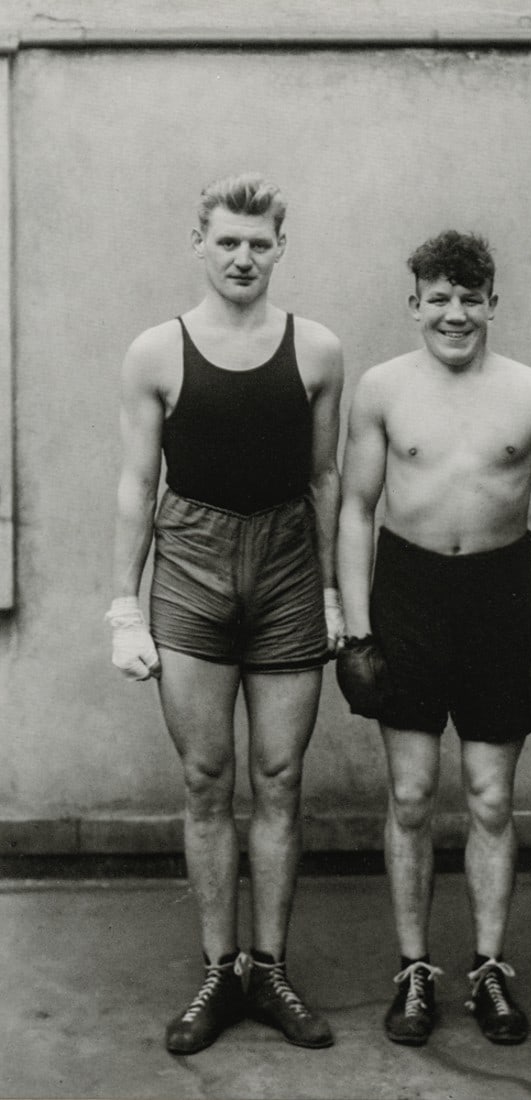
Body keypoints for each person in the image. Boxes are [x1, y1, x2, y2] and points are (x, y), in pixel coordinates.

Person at [106, 173, 345, 1054]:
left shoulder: (316, 350)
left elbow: (325, 479)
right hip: (193, 568)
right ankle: (218, 969)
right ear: (199, 244)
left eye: (258, 243)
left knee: (279, 778)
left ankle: (268, 969)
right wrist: (123, 606)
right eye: (227, 242)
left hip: (285, 569)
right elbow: (138, 483)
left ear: (280, 248)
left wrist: (333, 591)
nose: (243, 257)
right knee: (207, 778)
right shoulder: (155, 352)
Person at [336, 230, 531, 1047]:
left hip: (498, 599)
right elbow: (354, 510)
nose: (454, 314)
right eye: (438, 298)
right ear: (414, 304)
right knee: (411, 795)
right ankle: (413, 970)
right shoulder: (381, 389)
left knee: (490, 797)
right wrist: (355, 631)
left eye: (469, 299)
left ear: (492, 303)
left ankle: (487, 970)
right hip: (407, 596)